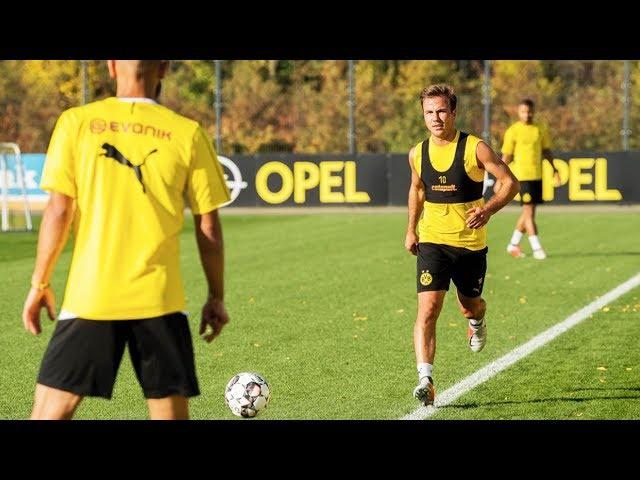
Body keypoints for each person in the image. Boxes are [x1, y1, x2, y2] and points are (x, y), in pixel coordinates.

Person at [21, 60, 231, 420]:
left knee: (49, 413)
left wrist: (40, 282)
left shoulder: (76, 123)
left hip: (93, 296)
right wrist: (216, 296)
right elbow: (208, 226)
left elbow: (58, 212)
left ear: (112, 67)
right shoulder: (187, 133)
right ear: (163, 68)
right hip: (160, 300)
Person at [405, 84, 519, 406]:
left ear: (453, 112)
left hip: (469, 245)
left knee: (470, 304)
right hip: (432, 242)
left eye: (441, 111)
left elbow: (510, 183)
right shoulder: (418, 152)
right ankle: (425, 379)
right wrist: (411, 229)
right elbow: (416, 190)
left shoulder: (475, 148)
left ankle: (477, 321)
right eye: (429, 112)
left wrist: (487, 209)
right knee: (428, 309)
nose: (435, 118)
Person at [498, 98, 560, 260]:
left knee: (529, 212)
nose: (527, 114)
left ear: (534, 111)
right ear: (519, 113)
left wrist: (554, 169)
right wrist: (500, 178)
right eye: (524, 112)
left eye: (530, 111)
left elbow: (546, 151)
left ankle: (513, 244)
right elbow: (507, 156)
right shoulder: (513, 131)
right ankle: (537, 248)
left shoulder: (540, 129)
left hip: (537, 176)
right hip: (521, 177)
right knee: (528, 212)